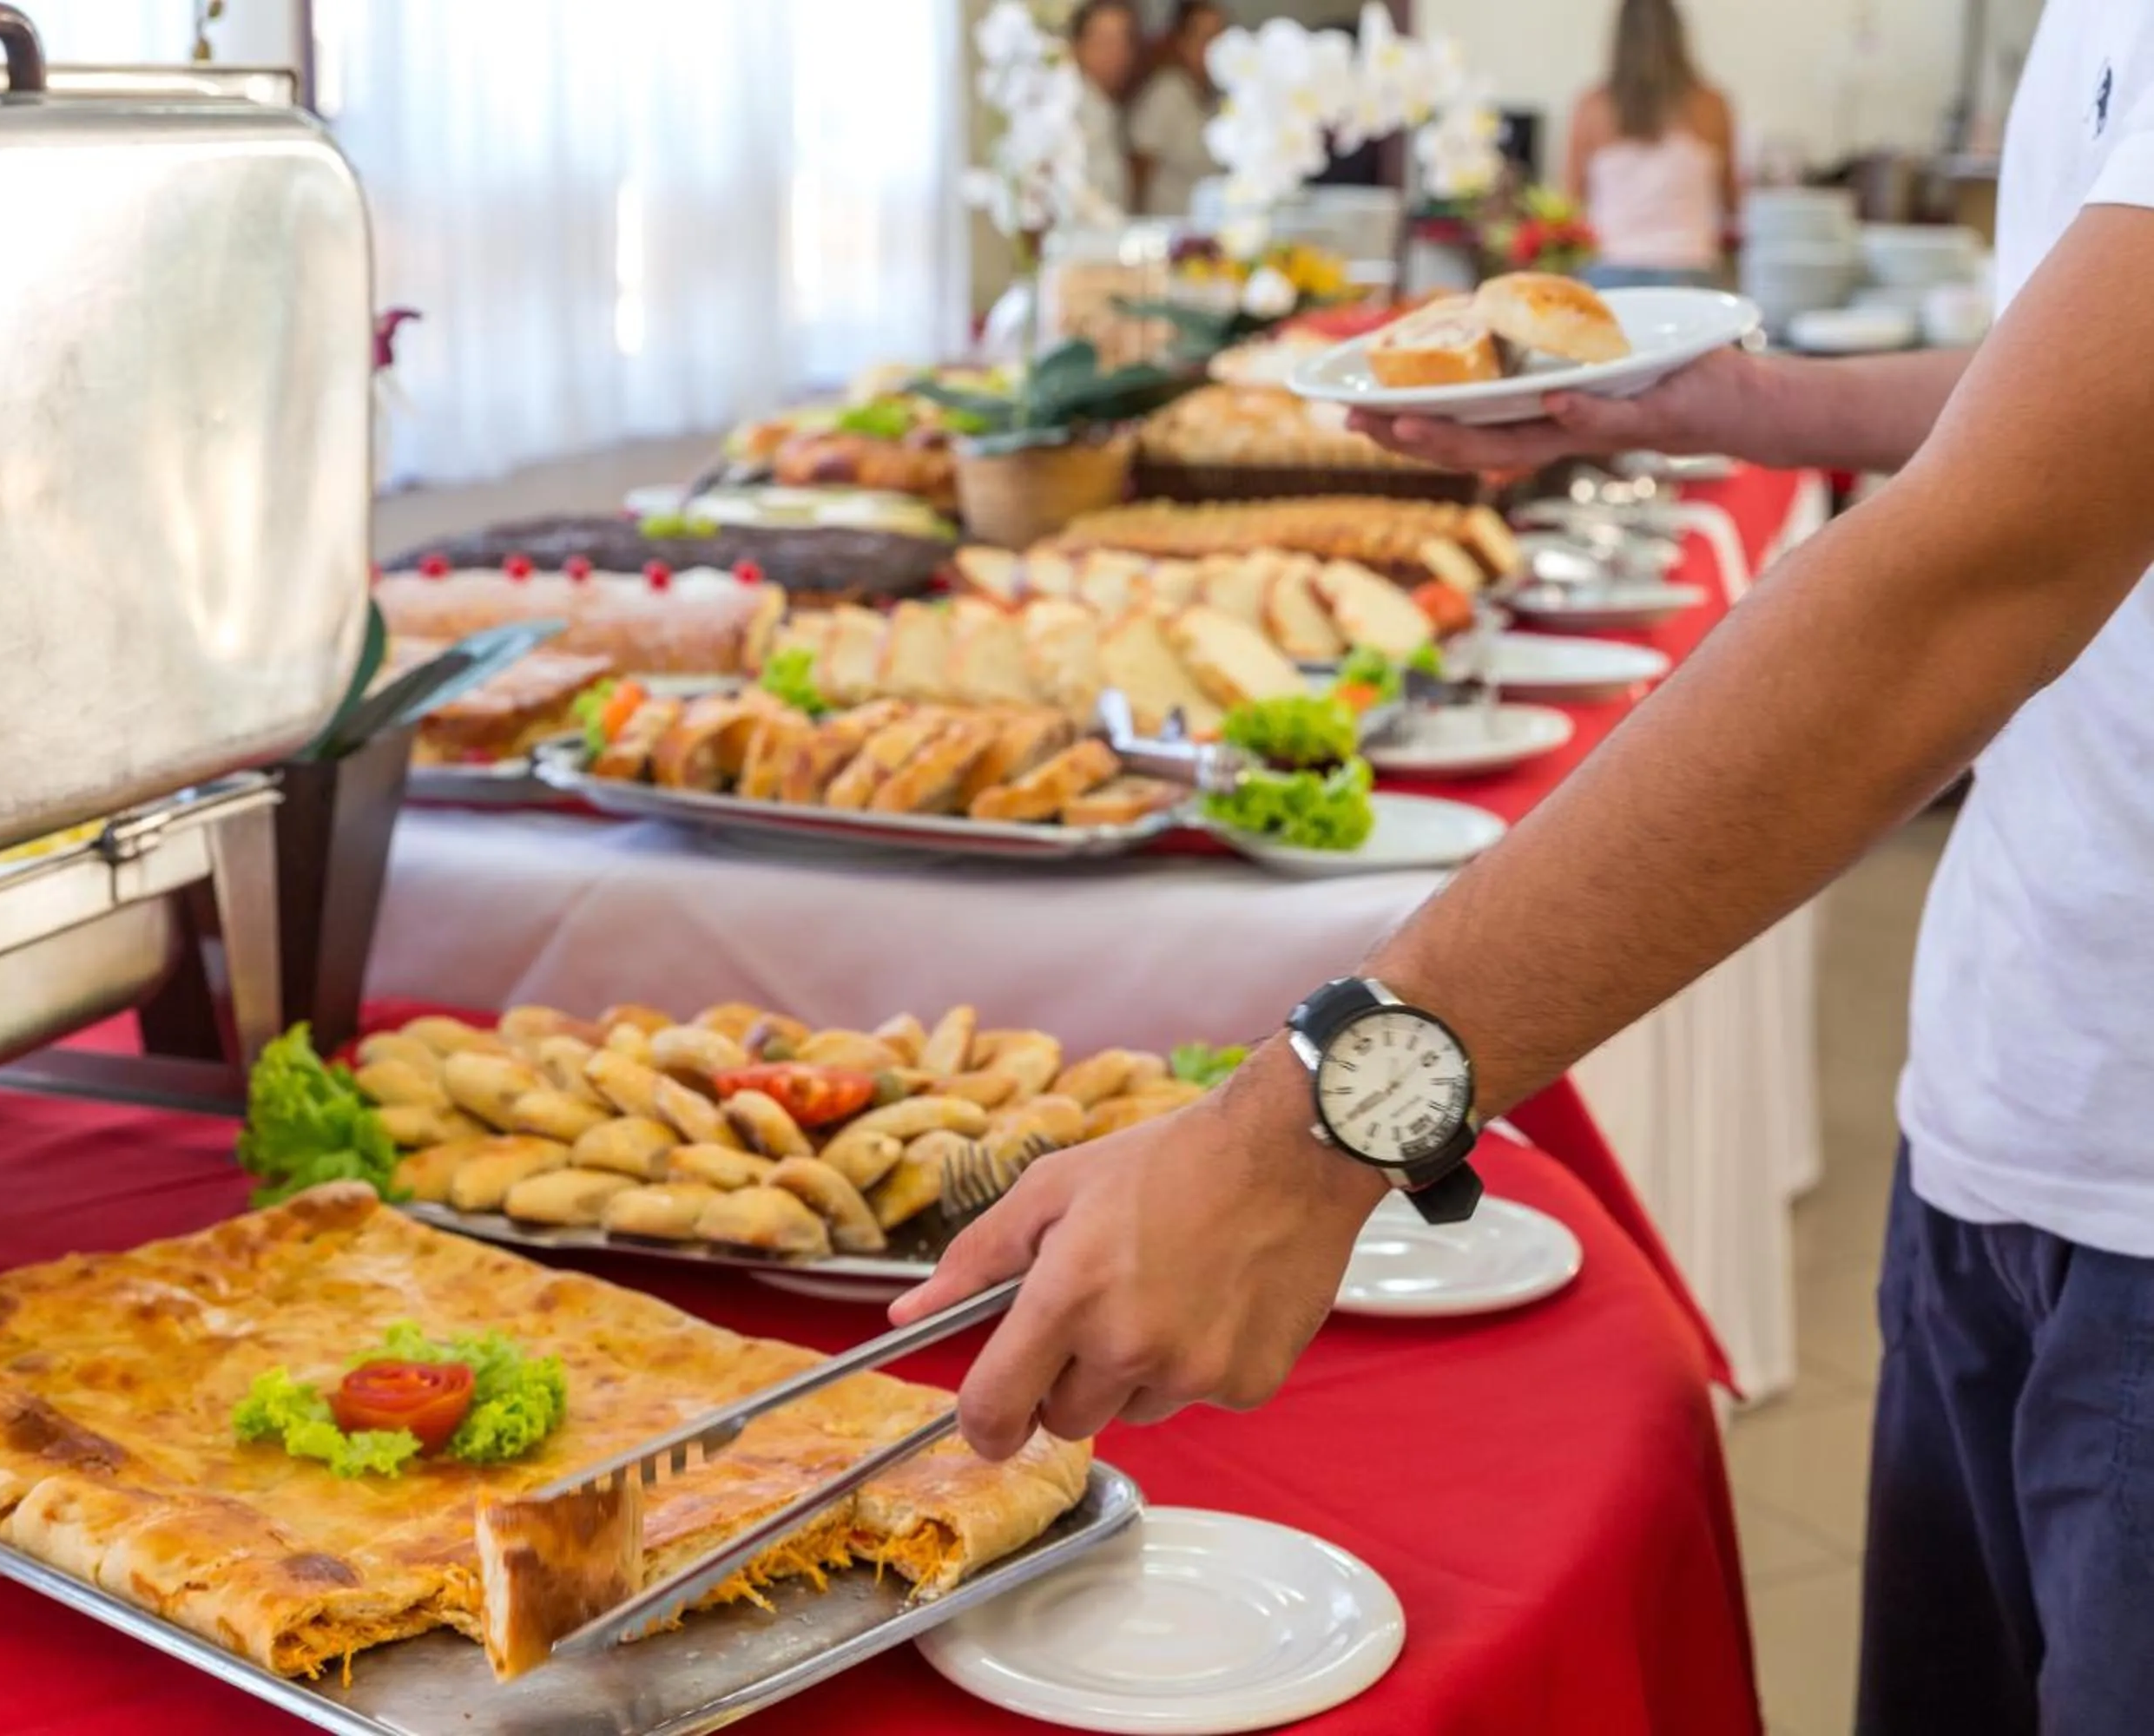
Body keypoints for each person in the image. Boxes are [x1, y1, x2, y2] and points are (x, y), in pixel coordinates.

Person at [896, 3, 2154, 1728]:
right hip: (2028, 1088)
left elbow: (1989, 559)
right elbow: (2065, 397)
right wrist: (1727, 401)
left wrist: (1318, 1126)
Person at [1565, 0, 1734, 288]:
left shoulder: (1592, 107)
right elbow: (1732, 201)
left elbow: (1570, 203)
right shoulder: (1712, 105)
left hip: (1609, 270)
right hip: (1691, 271)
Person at [1128, 1, 1228, 220]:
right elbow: (1139, 169)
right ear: (1182, 43)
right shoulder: (1165, 94)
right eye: (1205, 38)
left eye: (1221, 38)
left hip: (1212, 228)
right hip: (1165, 230)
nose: (1215, 48)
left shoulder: (1222, 97)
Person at [1064, 0, 1139, 219]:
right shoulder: (1064, 111)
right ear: (1077, 47)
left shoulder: (1108, 106)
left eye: (1125, 41)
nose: (1118, 53)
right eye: (1106, 42)